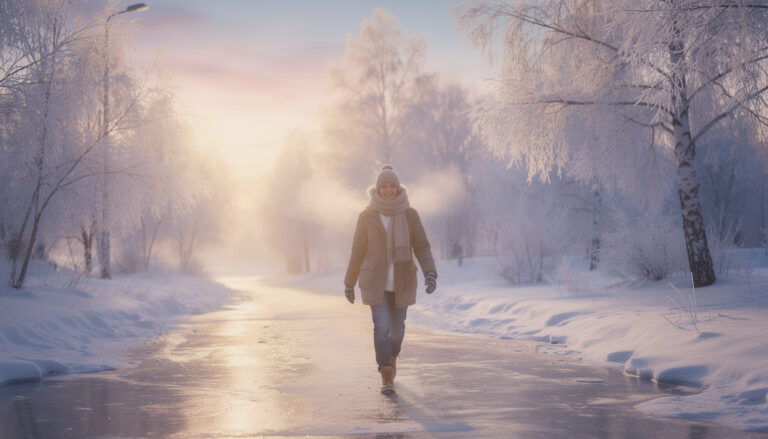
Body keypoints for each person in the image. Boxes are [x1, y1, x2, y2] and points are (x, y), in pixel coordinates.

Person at [344, 164, 437, 395]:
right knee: (381, 328)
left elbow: (422, 246)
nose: (388, 190)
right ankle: (386, 373)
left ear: (398, 187)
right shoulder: (367, 216)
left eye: (392, 186)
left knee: (396, 332)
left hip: (402, 282)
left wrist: (430, 272)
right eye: (383, 186)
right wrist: (349, 281)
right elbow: (357, 250)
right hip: (376, 283)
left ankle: (392, 357)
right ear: (377, 189)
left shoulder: (409, 214)